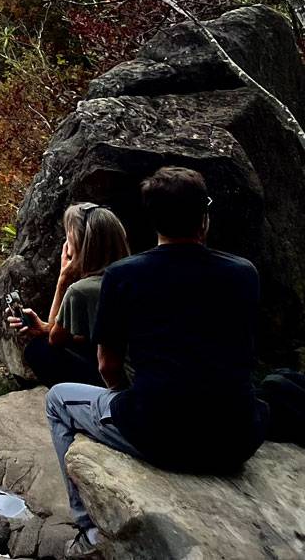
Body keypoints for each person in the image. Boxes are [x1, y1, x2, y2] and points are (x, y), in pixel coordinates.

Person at [44, 167, 268, 558]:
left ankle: (89, 531)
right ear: (204, 217)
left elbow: (107, 365)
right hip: (237, 438)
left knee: (57, 400)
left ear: (153, 219)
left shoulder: (124, 276)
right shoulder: (243, 273)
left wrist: (125, 400)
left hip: (159, 437)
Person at [8, 202, 130, 387]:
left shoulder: (82, 291)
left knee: (38, 350)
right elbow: (89, 337)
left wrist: (63, 279)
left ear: (79, 245)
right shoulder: (131, 277)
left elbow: (55, 340)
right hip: (149, 375)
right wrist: (45, 328)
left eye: (68, 239)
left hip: (124, 384)